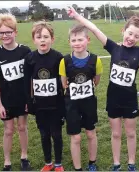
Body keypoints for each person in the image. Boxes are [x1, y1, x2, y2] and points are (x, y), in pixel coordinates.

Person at [67, 6, 139, 171]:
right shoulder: (113, 47)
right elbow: (94, 29)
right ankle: (116, 163)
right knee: (116, 134)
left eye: (136, 36)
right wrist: (76, 16)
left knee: (131, 133)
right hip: (113, 99)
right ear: (123, 31)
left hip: (130, 99)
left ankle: (131, 164)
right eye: (130, 33)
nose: (132, 38)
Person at [0, 13, 32, 171]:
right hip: (6, 99)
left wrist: (29, 99)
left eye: (8, 32)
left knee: (22, 127)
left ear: (15, 32)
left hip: (23, 98)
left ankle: (24, 157)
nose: (5, 35)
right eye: (1, 32)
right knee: (8, 130)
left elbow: (30, 78)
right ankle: (7, 161)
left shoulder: (25, 51)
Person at [59, 24, 103, 171]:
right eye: (73, 40)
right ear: (69, 42)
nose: (77, 43)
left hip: (89, 102)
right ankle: (78, 168)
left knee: (91, 133)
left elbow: (96, 81)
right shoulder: (64, 61)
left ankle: (92, 163)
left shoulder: (96, 60)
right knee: (76, 137)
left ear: (88, 40)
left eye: (80, 39)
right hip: (72, 104)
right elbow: (64, 83)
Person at [23, 21, 65, 171]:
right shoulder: (29, 59)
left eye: (46, 37)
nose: (42, 40)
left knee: (56, 134)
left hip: (55, 104)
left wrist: (63, 103)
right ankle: (48, 162)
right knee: (44, 134)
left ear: (52, 39)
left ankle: (59, 164)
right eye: (39, 37)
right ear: (34, 39)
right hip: (39, 105)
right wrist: (29, 101)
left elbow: (62, 82)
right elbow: (27, 81)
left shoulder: (58, 57)